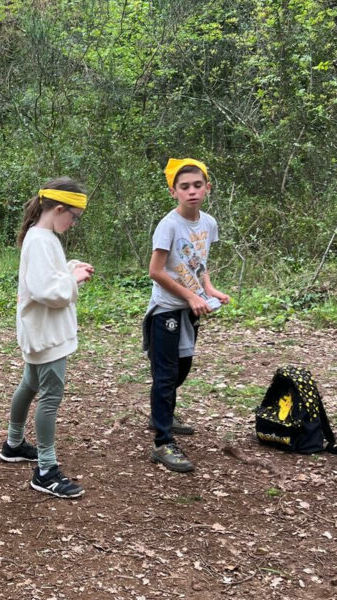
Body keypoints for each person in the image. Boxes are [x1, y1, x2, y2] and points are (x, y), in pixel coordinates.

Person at [0, 178, 94, 499]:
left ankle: (13, 444)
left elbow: (47, 276)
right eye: (74, 217)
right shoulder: (40, 240)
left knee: (30, 384)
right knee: (50, 396)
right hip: (47, 335)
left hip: (41, 331)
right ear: (59, 209)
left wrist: (70, 268)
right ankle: (45, 470)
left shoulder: (42, 236)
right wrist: (73, 279)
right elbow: (45, 290)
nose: (74, 223)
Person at [143, 158, 230, 473]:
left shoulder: (208, 223)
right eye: (184, 187)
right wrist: (192, 296)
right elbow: (155, 271)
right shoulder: (169, 225)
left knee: (182, 370)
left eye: (197, 185)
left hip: (190, 308)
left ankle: (160, 413)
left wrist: (209, 289)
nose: (191, 191)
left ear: (207, 188)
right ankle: (162, 442)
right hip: (167, 309)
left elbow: (199, 263)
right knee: (166, 376)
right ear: (173, 192)